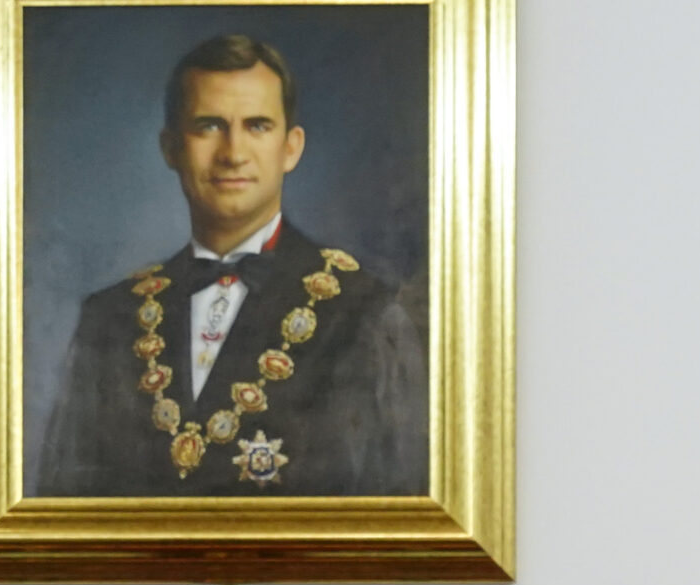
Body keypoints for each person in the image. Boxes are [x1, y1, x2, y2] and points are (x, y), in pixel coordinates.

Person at [34, 32, 426, 497]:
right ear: (171, 148)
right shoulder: (110, 320)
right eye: (208, 126)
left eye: (257, 125)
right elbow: (65, 526)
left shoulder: (366, 316)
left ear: (291, 148)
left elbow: (398, 533)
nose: (233, 153)